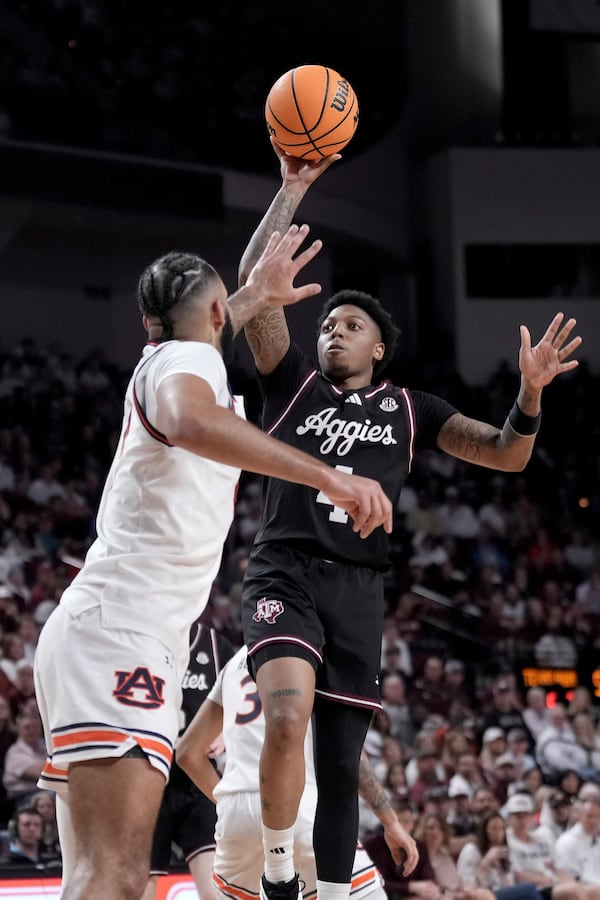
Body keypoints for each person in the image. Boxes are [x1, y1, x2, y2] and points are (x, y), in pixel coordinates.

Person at [237, 141, 581, 900]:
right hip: (285, 570)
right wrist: (290, 190)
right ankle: (275, 875)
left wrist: (529, 397)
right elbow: (256, 289)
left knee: (338, 768)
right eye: (328, 322)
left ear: (380, 347)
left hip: (359, 590)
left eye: (351, 323)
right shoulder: (291, 384)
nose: (334, 329)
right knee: (286, 716)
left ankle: (328, 894)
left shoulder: (408, 409)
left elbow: (505, 456)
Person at [32, 229, 393, 900]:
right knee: (111, 876)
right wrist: (330, 478)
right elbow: (191, 419)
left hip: (115, 629)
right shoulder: (182, 369)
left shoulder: (177, 352)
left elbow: (237, 303)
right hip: (122, 631)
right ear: (218, 314)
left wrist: (291, 183)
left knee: (101, 877)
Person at [176, 645, 418, 900]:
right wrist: (391, 822)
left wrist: (227, 800)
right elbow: (348, 754)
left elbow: (187, 753)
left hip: (235, 819)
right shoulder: (311, 651)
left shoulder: (234, 663)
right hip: (297, 809)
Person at [140, 622, 235, 900]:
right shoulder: (143, 638)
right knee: (143, 890)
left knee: (215, 891)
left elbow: (244, 700)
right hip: (149, 777)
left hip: (198, 779)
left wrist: (227, 733)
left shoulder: (215, 645)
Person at [456, 810, 543, 900]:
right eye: (493, 828)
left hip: (500, 893)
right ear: (485, 830)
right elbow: (467, 885)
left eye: (501, 828)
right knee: (528, 889)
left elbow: (509, 886)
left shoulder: (504, 851)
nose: (498, 833)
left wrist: (501, 870)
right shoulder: (471, 850)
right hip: (481, 895)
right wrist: (486, 862)